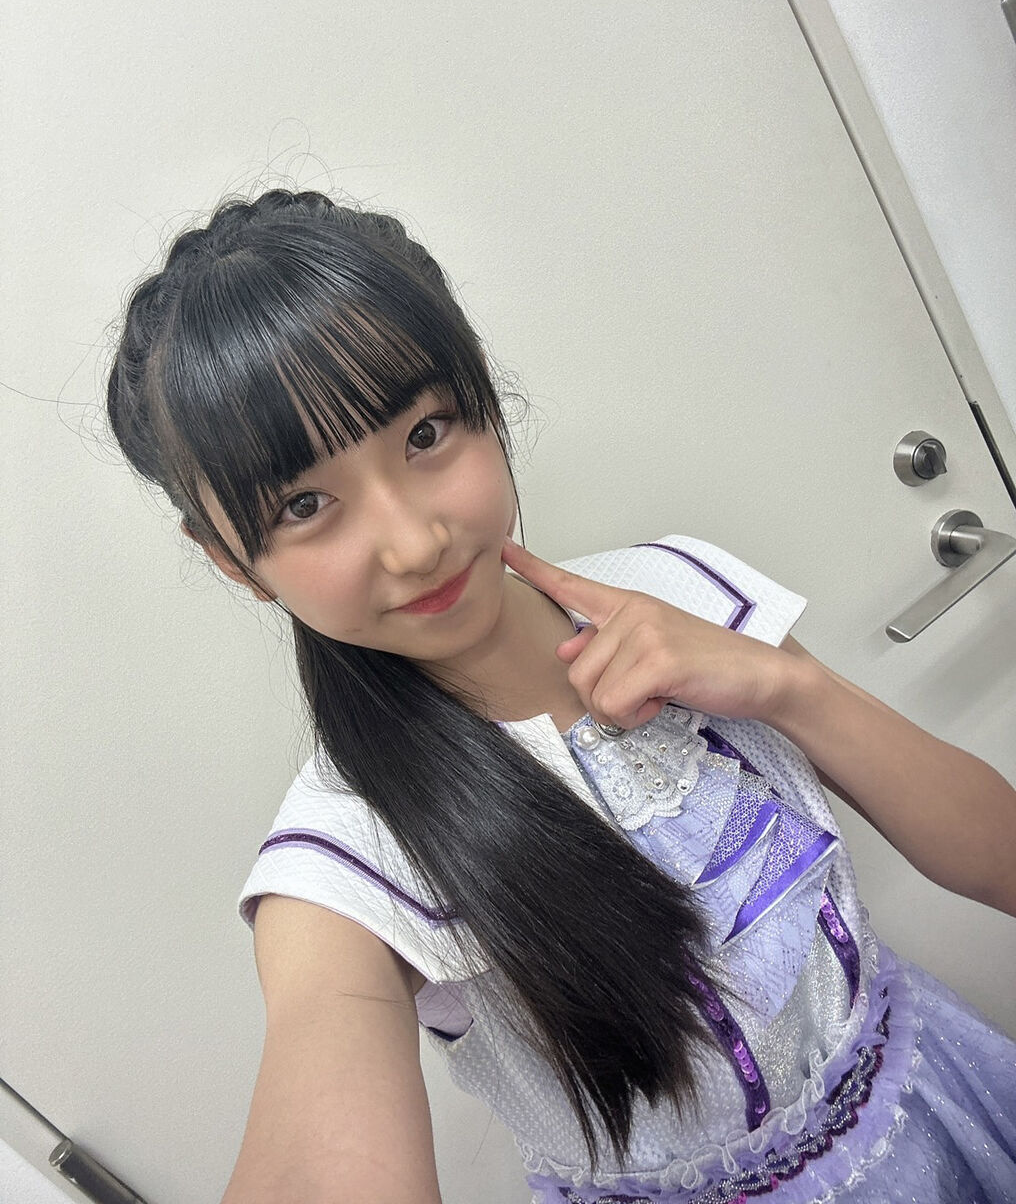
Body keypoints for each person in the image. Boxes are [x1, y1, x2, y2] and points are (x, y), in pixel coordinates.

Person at [104, 187, 1016, 1204]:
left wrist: (789, 687)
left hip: (954, 1100)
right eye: (306, 503)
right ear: (231, 558)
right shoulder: (344, 860)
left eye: (424, 433)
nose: (414, 542)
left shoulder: (676, 587)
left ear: (482, 398)